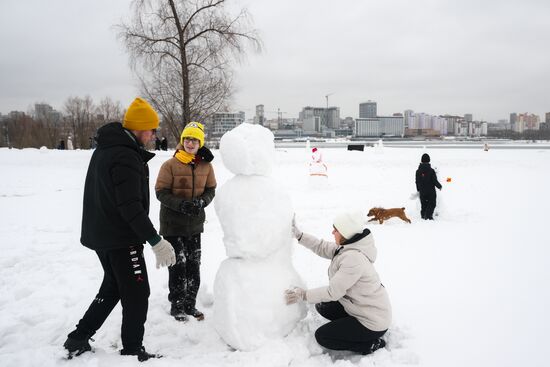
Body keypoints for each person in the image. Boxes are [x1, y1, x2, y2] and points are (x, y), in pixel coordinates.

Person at [63, 97, 177, 362]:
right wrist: (155, 241)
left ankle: (78, 337)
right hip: (120, 237)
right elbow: (130, 207)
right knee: (138, 293)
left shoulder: (108, 148)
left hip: (103, 234)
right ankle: (133, 349)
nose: (153, 135)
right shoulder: (125, 155)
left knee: (113, 287)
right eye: (151, 130)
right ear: (139, 129)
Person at [286, 212, 392, 355]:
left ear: (345, 233)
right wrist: (299, 235)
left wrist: (304, 295)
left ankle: (371, 344)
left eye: (336, 230)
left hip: (372, 322)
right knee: (323, 307)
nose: (332, 232)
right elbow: (321, 246)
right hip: (364, 308)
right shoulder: (347, 247)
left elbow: (332, 292)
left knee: (323, 336)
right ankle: (351, 326)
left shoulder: (354, 259)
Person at [155, 122, 216, 322]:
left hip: (195, 225)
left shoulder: (206, 165)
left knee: (193, 265)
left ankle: (190, 304)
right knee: (177, 265)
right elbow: (160, 192)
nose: (190, 143)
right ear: (182, 142)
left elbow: (211, 189)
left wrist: (202, 201)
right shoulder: (170, 165)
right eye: (187, 139)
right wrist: (181, 205)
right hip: (172, 224)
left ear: (200, 143)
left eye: (195, 140)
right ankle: (177, 305)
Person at [415, 153, 442, 220]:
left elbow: (417, 181)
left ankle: (423, 216)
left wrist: (418, 189)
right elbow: (434, 180)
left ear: (421, 160)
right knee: (432, 203)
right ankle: (428, 216)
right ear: (429, 160)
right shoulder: (431, 170)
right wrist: (439, 186)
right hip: (431, 191)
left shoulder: (418, 171)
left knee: (424, 204)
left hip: (422, 191)